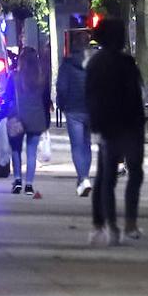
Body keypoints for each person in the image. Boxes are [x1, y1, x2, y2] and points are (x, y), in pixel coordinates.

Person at [85, 19, 146, 245]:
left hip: (109, 126)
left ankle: (109, 224)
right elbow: (136, 96)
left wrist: (96, 124)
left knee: (106, 177)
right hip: (129, 125)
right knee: (134, 174)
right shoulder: (126, 63)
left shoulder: (95, 64)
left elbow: (91, 97)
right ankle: (129, 222)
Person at [7, 46, 50, 198]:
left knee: (15, 149)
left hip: (17, 117)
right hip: (36, 117)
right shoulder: (41, 79)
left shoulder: (14, 77)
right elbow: (46, 101)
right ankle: (29, 184)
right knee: (31, 153)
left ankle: (17, 180)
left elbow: (7, 97)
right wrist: (46, 120)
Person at [56, 33, 92, 198]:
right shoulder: (94, 64)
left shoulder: (67, 64)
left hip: (73, 109)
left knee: (77, 146)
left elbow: (62, 87)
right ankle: (85, 177)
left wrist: (61, 103)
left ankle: (83, 178)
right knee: (87, 144)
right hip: (91, 108)